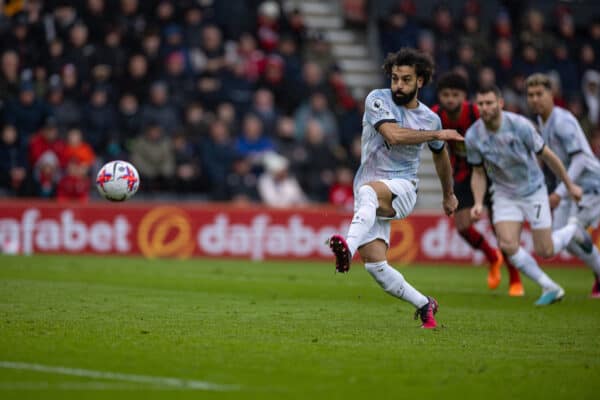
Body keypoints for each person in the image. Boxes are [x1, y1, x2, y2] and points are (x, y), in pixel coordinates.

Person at [327, 48, 463, 329]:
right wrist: (438, 134)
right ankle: (425, 304)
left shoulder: (429, 118)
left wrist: (448, 194)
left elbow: (441, 156)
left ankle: (346, 249)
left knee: (369, 192)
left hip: (403, 187)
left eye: (406, 80)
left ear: (420, 82)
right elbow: (392, 134)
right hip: (369, 188)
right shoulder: (378, 99)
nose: (398, 85)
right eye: (395, 79)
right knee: (376, 266)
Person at [466, 85, 593, 306]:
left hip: (533, 191)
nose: (484, 108)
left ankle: (573, 229)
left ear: (500, 103)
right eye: (480, 104)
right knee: (507, 244)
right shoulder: (473, 135)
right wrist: (478, 202)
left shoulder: (520, 126)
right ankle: (549, 286)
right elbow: (477, 172)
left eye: (489, 103)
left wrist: (569, 185)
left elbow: (549, 156)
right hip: (504, 194)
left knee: (546, 250)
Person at [432, 72, 523, 296]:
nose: (450, 99)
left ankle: (515, 278)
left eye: (455, 95)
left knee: (499, 229)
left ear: (464, 96)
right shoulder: (434, 115)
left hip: (492, 173)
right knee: (462, 226)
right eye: (446, 95)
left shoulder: (476, 113)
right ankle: (492, 256)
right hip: (463, 173)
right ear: (440, 97)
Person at [525, 73, 600, 298]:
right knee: (561, 237)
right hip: (569, 188)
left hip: (589, 185)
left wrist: (558, 192)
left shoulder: (562, 121)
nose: (535, 99)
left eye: (540, 94)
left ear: (551, 95)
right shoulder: (542, 121)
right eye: (531, 95)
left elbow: (579, 159)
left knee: (573, 232)